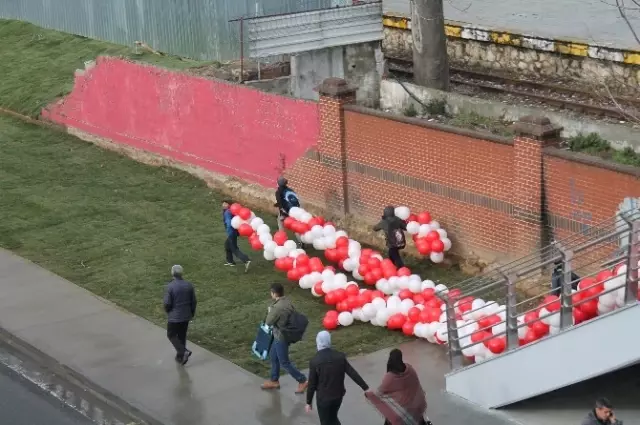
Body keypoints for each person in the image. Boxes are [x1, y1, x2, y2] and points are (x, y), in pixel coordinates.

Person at [305, 331, 370, 425]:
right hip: (338, 396)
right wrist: (365, 387)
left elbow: (312, 384)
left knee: (326, 421)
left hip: (323, 399)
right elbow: (352, 373)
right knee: (333, 417)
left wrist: (308, 402)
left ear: (317, 342)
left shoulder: (315, 361)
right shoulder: (340, 356)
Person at [261, 283, 308, 393]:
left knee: (284, 362)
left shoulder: (277, 307)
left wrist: (270, 311)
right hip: (284, 333)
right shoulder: (286, 301)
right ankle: (274, 380)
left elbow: (268, 322)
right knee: (274, 357)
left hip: (281, 337)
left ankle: (302, 380)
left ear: (274, 293)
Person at [366, 349, 428, 425]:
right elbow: (416, 385)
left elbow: (379, 393)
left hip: (402, 412)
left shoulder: (390, 377)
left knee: (391, 416)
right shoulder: (410, 369)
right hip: (417, 405)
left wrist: (369, 394)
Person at [164, 265, 197, 365]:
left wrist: (168, 311)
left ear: (172, 273)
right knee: (182, 336)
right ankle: (180, 357)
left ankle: (183, 352)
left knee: (171, 335)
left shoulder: (170, 286)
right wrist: (191, 313)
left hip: (174, 317)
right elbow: (194, 301)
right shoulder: (189, 285)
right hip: (186, 316)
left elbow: (167, 303)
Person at [222, 199, 251, 271]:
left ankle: (246, 260)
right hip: (234, 232)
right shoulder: (232, 211)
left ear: (229, 205)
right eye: (223, 203)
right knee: (227, 245)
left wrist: (229, 232)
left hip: (231, 233)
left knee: (234, 248)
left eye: (225, 203)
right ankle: (230, 261)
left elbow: (229, 223)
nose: (223, 205)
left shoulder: (227, 213)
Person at [274, 176, 303, 246]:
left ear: (278, 184)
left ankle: (281, 240)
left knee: (280, 222)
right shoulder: (290, 190)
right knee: (294, 226)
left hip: (285, 212)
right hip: (294, 211)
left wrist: (282, 211)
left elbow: (280, 203)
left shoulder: (278, 192)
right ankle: (301, 242)